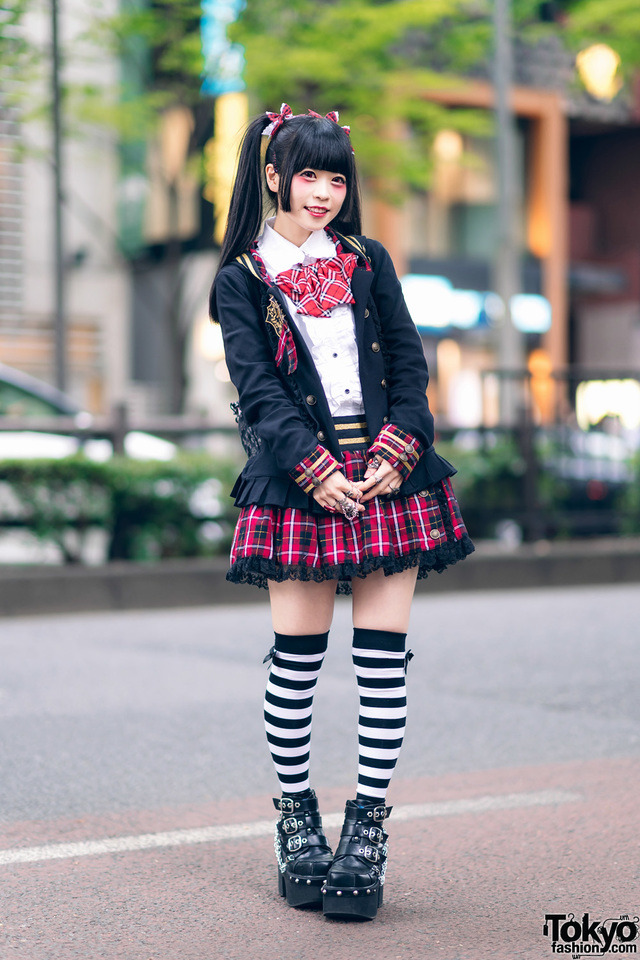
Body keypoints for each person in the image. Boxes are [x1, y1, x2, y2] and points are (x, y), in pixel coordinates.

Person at [209, 103, 474, 921]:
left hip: (390, 475)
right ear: (274, 176)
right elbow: (258, 393)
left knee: (382, 663)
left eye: (336, 176)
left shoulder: (367, 260)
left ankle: (365, 833)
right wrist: (317, 471)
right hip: (300, 482)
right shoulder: (242, 279)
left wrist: (397, 452)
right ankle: (297, 826)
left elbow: (408, 364)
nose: (323, 192)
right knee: (297, 663)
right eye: (309, 175)